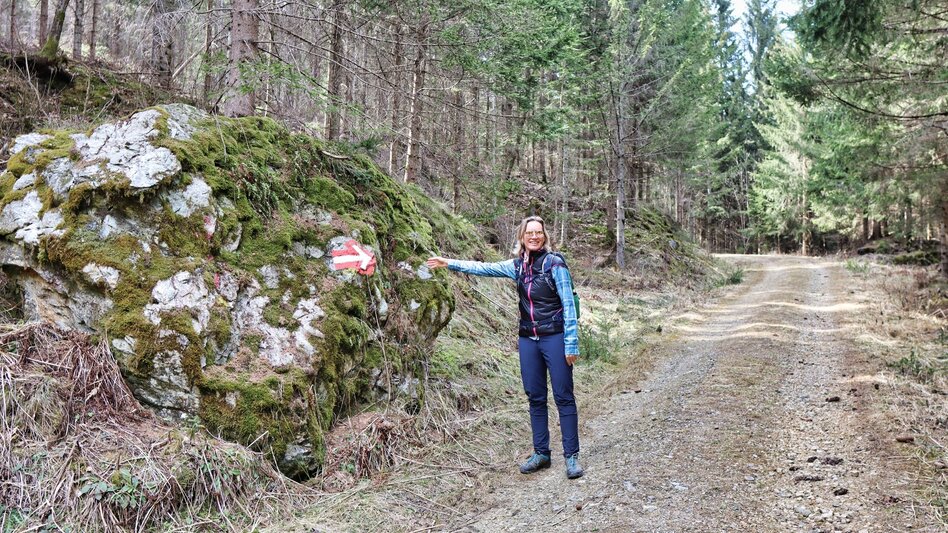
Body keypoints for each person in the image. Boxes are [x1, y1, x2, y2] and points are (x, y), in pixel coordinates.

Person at [426, 215, 583, 479]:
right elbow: (483, 268)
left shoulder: (555, 264)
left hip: (554, 337)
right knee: (535, 396)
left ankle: (572, 456)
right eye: (529, 233)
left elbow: (569, 305)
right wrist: (448, 263)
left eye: (539, 232)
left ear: (544, 236)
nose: (534, 236)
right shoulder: (517, 267)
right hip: (528, 339)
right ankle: (542, 453)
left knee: (563, 396)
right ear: (522, 237)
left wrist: (571, 344)